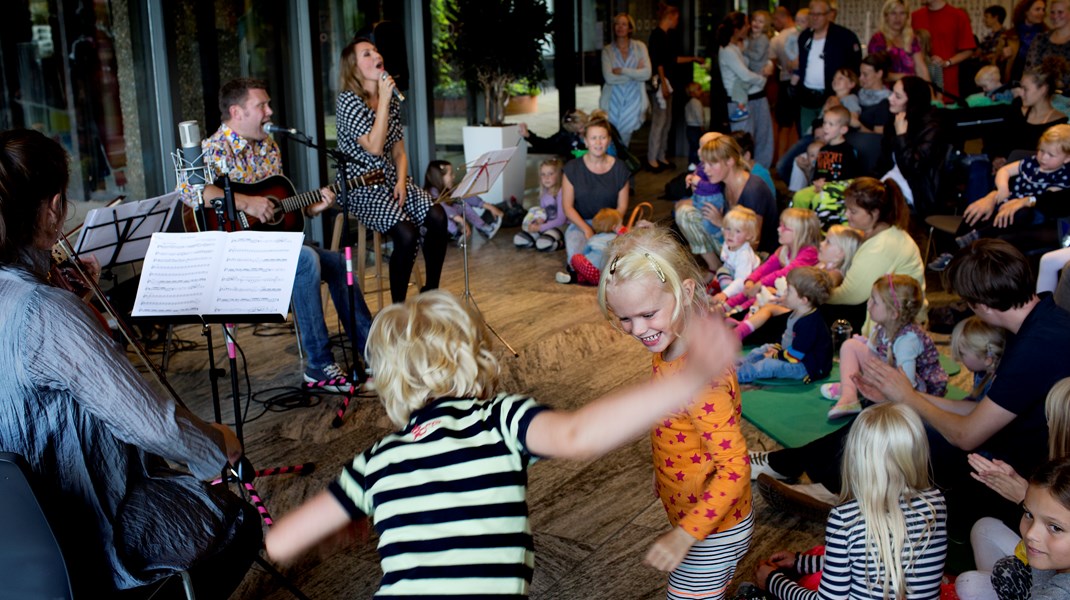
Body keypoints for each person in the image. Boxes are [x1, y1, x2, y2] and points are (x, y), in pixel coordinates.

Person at [264, 289, 741, 596]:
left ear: (389, 382)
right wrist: (685, 381)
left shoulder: (376, 463)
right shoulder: (501, 418)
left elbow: (281, 542)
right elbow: (579, 434)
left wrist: (340, 521)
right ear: (475, 358)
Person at [0, 128, 262, 597]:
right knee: (238, 525)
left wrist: (67, 299)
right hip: (84, 525)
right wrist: (216, 445)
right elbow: (152, 427)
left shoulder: (32, 297)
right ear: (54, 207)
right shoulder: (48, 311)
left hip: (16, 534)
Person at [850, 239, 1070, 537]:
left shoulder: (1034, 347)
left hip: (1024, 478)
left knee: (902, 432)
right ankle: (801, 468)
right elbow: (984, 409)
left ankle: (833, 488)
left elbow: (965, 435)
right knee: (901, 418)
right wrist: (902, 394)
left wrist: (908, 397)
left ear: (979, 305)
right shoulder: (1045, 317)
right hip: (1019, 454)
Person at [177, 77, 371, 391]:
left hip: (271, 249)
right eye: (261, 105)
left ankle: (372, 352)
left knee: (337, 263)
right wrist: (244, 201)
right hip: (232, 257)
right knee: (306, 258)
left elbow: (279, 204)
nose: (270, 111)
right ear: (237, 112)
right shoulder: (211, 149)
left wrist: (312, 208)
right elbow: (191, 192)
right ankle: (319, 366)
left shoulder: (268, 146)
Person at [598, 226, 752, 600]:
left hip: (713, 527)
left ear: (684, 291)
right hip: (694, 511)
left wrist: (686, 535)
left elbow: (735, 469)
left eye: (648, 313)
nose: (638, 330)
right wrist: (663, 470)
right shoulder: (669, 346)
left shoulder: (701, 380)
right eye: (625, 319)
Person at [755, 403, 948, 600]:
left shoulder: (845, 520)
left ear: (854, 460)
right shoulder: (936, 503)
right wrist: (802, 562)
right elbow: (879, 557)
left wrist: (774, 581)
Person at [335, 37, 449, 304]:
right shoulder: (348, 102)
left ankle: (431, 292)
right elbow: (374, 147)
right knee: (406, 233)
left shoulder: (391, 100)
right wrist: (384, 100)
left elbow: (398, 151)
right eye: (366, 53)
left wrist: (400, 181)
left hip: (389, 180)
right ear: (354, 67)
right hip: (360, 187)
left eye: (375, 50)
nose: (376, 54)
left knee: (437, 216)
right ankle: (397, 309)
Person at [955, 381, 1070, 600]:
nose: (1047, 425)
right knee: (984, 529)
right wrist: (1029, 495)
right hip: (1042, 574)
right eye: (1029, 514)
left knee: (970, 584)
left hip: (1048, 579)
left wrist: (1023, 496)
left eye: (1051, 418)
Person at [822, 274, 948, 419]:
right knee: (850, 345)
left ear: (894, 313)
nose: (868, 304)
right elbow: (871, 354)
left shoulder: (907, 341)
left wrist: (883, 393)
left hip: (914, 391)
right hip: (892, 373)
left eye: (874, 301)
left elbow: (907, 386)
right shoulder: (883, 326)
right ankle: (849, 394)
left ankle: (856, 388)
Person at [822, 177, 925, 333]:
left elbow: (851, 294)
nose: (846, 214)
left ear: (875, 213)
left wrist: (815, 296)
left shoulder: (882, 245)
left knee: (809, 313)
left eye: (853, 211)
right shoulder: (882, 233)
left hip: (898, 321)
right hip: (887, 310)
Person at [956, 124, 1070, 249]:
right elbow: (1005, 170)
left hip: (1033, 213)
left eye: (1051, 155)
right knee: (977, 211)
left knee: (1021, 213)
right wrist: (1002, 188)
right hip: (1010, 202)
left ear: (1067, 158)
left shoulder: (1063, 175)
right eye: (1041, 151)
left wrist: (1021, 202)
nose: (1043, 157)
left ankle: (980, 235)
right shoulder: (1031, 162)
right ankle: (951, 250)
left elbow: (1046, 199)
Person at [676, 135, 779, 260]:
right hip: (734, 242)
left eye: (712, 164)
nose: (706, 170)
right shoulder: (722, 182)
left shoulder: (753, 190)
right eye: (704, 164)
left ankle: (724, 269)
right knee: (685, 213)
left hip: (757, 256)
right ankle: (715, 267)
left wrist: (721, 222)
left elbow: (753, 242)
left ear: (730, 161)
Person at [559, 113, 630, 281]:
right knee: (576, 254)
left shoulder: (620, 168)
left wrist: (608, 226)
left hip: (610, 224)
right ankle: (591, 273)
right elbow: (567, 207)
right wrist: (586, 229)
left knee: (602, 249)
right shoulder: (572, 168)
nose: (598, 143)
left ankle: (586, 275)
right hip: (580, 224)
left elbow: (621, 208)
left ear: (609, 140)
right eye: (593, 138)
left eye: (602, 138)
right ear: (585, 140)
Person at [735, 267, 834, 384]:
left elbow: (797, 353)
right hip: (790, 352)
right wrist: (776, 349)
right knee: (763, 348)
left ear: (803, 300)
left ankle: (740, 375)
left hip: (806, 365)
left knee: (768, 365)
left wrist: (775, 356)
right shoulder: (797, 311)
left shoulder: (809, 323)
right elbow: (785, 336)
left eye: (789, 291)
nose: (785, 293)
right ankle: (742, 364)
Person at [721, 207, 821, 316]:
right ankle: (726, 306)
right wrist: (750, 280)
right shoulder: (784, 249)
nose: (779, 229)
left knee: (763, 291)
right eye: (780, 225)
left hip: (794, 301)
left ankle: (738, 312)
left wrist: (759, 285)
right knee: (752, 287)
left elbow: (785, 273)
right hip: (782, 292)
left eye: (785, 227)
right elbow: (766, 268)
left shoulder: (810, 253)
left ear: (801, 233)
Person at [877, 75, 952, 216]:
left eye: (897, 96)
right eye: (892, 92)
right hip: (891, 180)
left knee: (868, 207)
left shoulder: (932, 127)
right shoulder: (897, 119)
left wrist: (901, 137)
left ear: (912, 102)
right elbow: (883, 162)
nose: (890, 98)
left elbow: (912, 168)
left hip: (917, 189)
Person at [647, 2, 703, 172]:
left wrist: (693, 59)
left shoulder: (666, 36)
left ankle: (661, 155)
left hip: (669, 83)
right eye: (676, 18)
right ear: (670, 17)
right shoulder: (657, 36)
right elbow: (659, 63)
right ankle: (652, 158)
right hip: (662, 83)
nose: (677, 22)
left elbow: (673, 59)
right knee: (659, 121)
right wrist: (663, 83)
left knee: (667, 121)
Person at [794, 0, 862, 138]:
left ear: (829, 15)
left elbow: (854, 68)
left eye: (819, 14)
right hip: (807, 97)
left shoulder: (845, 37)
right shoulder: (804, 36)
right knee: (807, 136)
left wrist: (842, 94)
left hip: (832, 97)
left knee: (829, 137)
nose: (815, 18)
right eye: (812, 14)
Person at [717, 12, 774, 168]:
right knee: (743, 142)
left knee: (763, 139)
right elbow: (745, 75)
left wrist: (769, 65)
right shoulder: (727, 50)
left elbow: (759, 61)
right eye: (747, 23)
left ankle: (761, 176)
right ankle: (742, 179)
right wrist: (762, 79)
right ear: (737, 29)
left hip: (756, 96)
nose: (750, 26)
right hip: (740, 100)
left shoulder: (739, 46)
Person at [792, 105, 861, 215]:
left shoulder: (848, 151)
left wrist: (827, 186)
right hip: (818, 188)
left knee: (818, 200)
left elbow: (850, 181)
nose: (825, 127)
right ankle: (799, 226)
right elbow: (816, 175)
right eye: (824, 123)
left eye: (831, 124)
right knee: (799, 197)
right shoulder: (823, 150)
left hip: (836, 192)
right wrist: (815, 180)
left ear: (843, 129)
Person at [601, 12, 652, 149]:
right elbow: (609, 78)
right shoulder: (607, 51)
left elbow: (647, 74)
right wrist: (636, 72)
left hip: (633, 101)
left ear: (630, 28)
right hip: (613, 102)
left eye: (624, 24)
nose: (620, 27)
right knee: (609, 140)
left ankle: (620, 168)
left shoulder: (640, 47)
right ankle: (612, 168)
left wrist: (623, 71)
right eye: (617, 23)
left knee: (624, 141)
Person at [911, 0, 976, 100]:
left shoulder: (958, 15)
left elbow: (968, 50)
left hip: (948, 84)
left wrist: (947, 63)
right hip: (918, 86)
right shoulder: (915, 16)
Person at [423, 160, 504, 241]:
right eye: (450, 174)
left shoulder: (448, 190)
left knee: (462, 205)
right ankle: (457, 234)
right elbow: (442, 208)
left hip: (447, 229)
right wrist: (461, 220)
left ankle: (484, 228)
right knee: (441, 212)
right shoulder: (431, 192)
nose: (454, 176)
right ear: (439, 177)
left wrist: (489, 207)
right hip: (433, 231)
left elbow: (465, 196)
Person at [868, 0, 931, 82]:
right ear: (886, 16)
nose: (898, 18)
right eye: (893, 13)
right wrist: (902, 77)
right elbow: (874, 71)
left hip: (910, 89)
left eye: (902, 13)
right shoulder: (878, 39)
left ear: (907, 17)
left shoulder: (912, 38)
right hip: (885, 91)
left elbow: (921, 69)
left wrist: (929, 92)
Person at [558, 207, 623, 286]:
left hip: (592, 271)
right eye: (621, 224)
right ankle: (574, 278)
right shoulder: (617, 239)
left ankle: (573, 274)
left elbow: (585, 252)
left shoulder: (594, 238)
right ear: (614, 227)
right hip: (605, 276)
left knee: (576, 257)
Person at [770, 7, 803, 157]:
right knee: (801, 124)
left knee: (784, 125)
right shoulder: (806, 35)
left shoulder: (776, 39)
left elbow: (772, 62)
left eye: (774, 21)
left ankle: (781, 160)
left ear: (781, 18)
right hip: (803, 82)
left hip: (785, 81)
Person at [514, 158, 566, 251]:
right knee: (519, 239)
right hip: (546, 225)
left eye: (550, 174)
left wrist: (540, 227)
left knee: (542, 244)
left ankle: (561, 243)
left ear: (559, 175)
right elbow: (543, 213)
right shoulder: (544, 192)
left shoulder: (561, 192)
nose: (546, 178)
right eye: (543, 174)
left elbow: (561, 220)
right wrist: (537, 221)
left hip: (561, 226)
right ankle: (540, 238)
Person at [712, 206, 762, 300]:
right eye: (728, 229)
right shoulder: (728, 243)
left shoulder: (744, 255)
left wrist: (725, 294)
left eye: (737, 231)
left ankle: (730, 299)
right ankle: (722, 291)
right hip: (734, 271)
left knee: (726, 277)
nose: (730, 234)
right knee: (721, 271)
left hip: (749, 277)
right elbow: (727, 261)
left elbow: (741, 280)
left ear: (749, 235)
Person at [1025, 0, 1070, 92]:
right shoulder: (1040, 39)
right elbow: (1030, 70)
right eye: (1052, 12)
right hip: (1042, 95)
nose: (1055, 16)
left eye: (1060, 12)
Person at [1007, 0, 1049, 83]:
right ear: (1026, 11)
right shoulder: (1010, 35)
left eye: (1043, 9)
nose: (1041, 13)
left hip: (1037, 83)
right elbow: (996, 62)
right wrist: (1003, 56)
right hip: (1013, 81)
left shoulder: (1047, 35)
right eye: (1037, 9)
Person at [684, 82, 706, 165]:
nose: (701, 91)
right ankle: (695, 163)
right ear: (692, 92)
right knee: (696, 147)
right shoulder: (696, 102)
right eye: (699, 89)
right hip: (696, 128)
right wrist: (702, 125)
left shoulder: (689, 102)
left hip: (689, 128)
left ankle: (691, 163)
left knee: (692, 147)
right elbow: (699, 115)